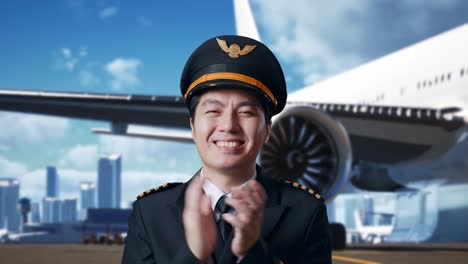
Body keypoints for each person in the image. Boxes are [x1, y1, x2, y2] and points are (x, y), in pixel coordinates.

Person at [122, 35, 331, 263]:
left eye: (246, 112)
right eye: (213, 111)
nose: (229, 126)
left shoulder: (305, 213)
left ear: (267, 129)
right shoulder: (150, 213)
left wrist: (250, 252)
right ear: (192, 126)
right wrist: (194, 255)